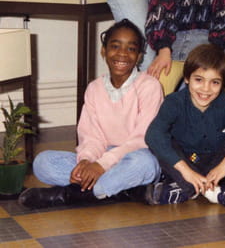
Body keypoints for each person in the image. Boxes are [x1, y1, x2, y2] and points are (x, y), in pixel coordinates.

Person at [19, 20, 163, 209]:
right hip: (101, 157)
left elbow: (141, 140)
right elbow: (91, 136)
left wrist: (101, 166)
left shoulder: (150, 86)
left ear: (139, 56)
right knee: (42, 163)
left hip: (135, 156)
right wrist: (86, 162)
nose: (122, 53)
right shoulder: (94, 88)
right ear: (103, 51)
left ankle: (69, 195)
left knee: (145, 164)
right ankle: (126, 191)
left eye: (131, 49)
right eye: (115, 46)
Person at [145, 44, 225, 209]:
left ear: (223, 84)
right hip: (184, 163)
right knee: (161, 141)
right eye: (199, 80)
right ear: (187, 78)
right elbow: (153, 135)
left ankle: (186, 189)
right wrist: (186, 171)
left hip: (217, 166)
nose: (206, 89)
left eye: (215, 82)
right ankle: (213, 192)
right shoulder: (174, 101)